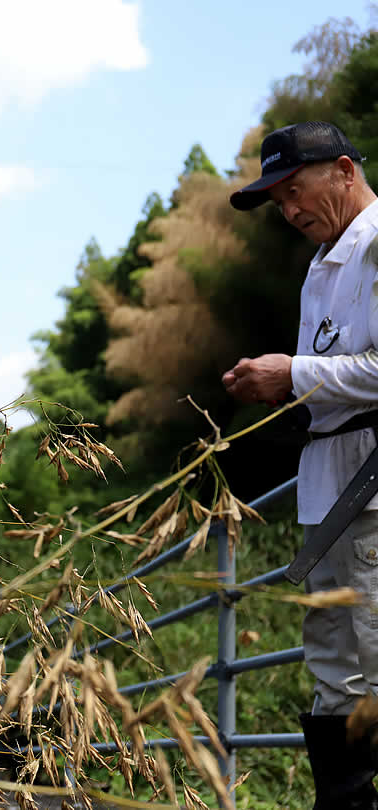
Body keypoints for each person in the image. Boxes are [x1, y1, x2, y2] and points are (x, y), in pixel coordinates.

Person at [225, 121, 378, 808]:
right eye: (279, 202)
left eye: (295, 191)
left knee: (374, 656)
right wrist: (281, 392)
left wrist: (293, 374)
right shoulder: (323, 266)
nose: (289, 212)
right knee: (334, 666)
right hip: (325, 497)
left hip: (372, 493)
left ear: (344, 171)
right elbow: (334, 376)